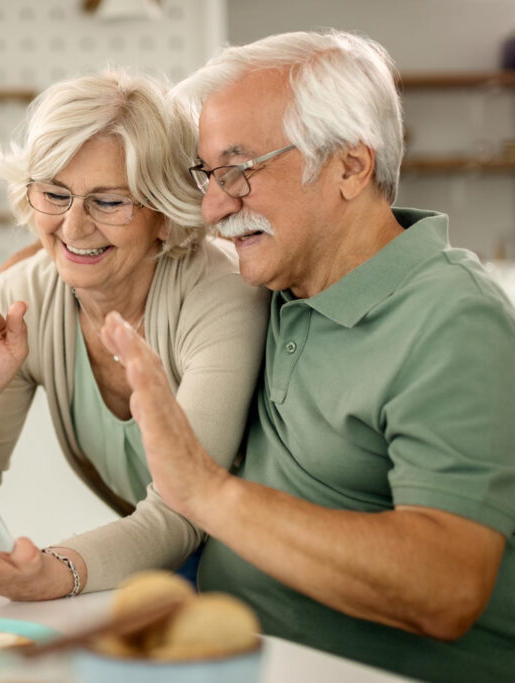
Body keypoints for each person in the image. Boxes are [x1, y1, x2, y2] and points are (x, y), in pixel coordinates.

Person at [96, 30, 515, 682]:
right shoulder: (270, 287)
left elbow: (447, 588)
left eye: (238, 172)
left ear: (350, 166)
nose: (213, 207)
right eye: (207, 175)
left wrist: (208, 493)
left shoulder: (455, 321)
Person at [0, 68, 269, 600]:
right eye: (55, 194)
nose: (73, 228)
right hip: (154, 569)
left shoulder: (220, 294)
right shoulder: (20, 296)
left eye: (109, 201)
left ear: (163, 212)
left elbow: (185, 512)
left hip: (263, 572)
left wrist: (52, 573)